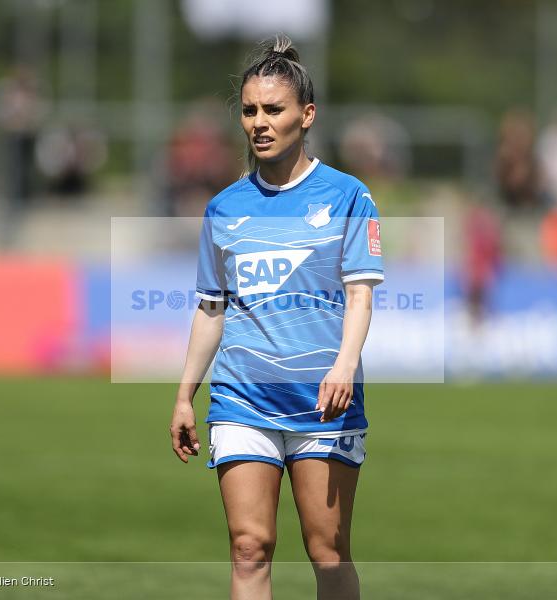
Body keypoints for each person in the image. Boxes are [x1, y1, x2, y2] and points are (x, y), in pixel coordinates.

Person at [169, 35, 383, 600]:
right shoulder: (224, 207)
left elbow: (360, 295)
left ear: (306, 115)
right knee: (248, 548)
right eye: (249, 110)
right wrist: (185, 394)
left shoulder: (349, 196)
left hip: (324, 399)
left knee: (328, 552)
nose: (259, 123)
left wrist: (343, 364)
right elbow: (211, 307)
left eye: (273, 109)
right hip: (242, 398)